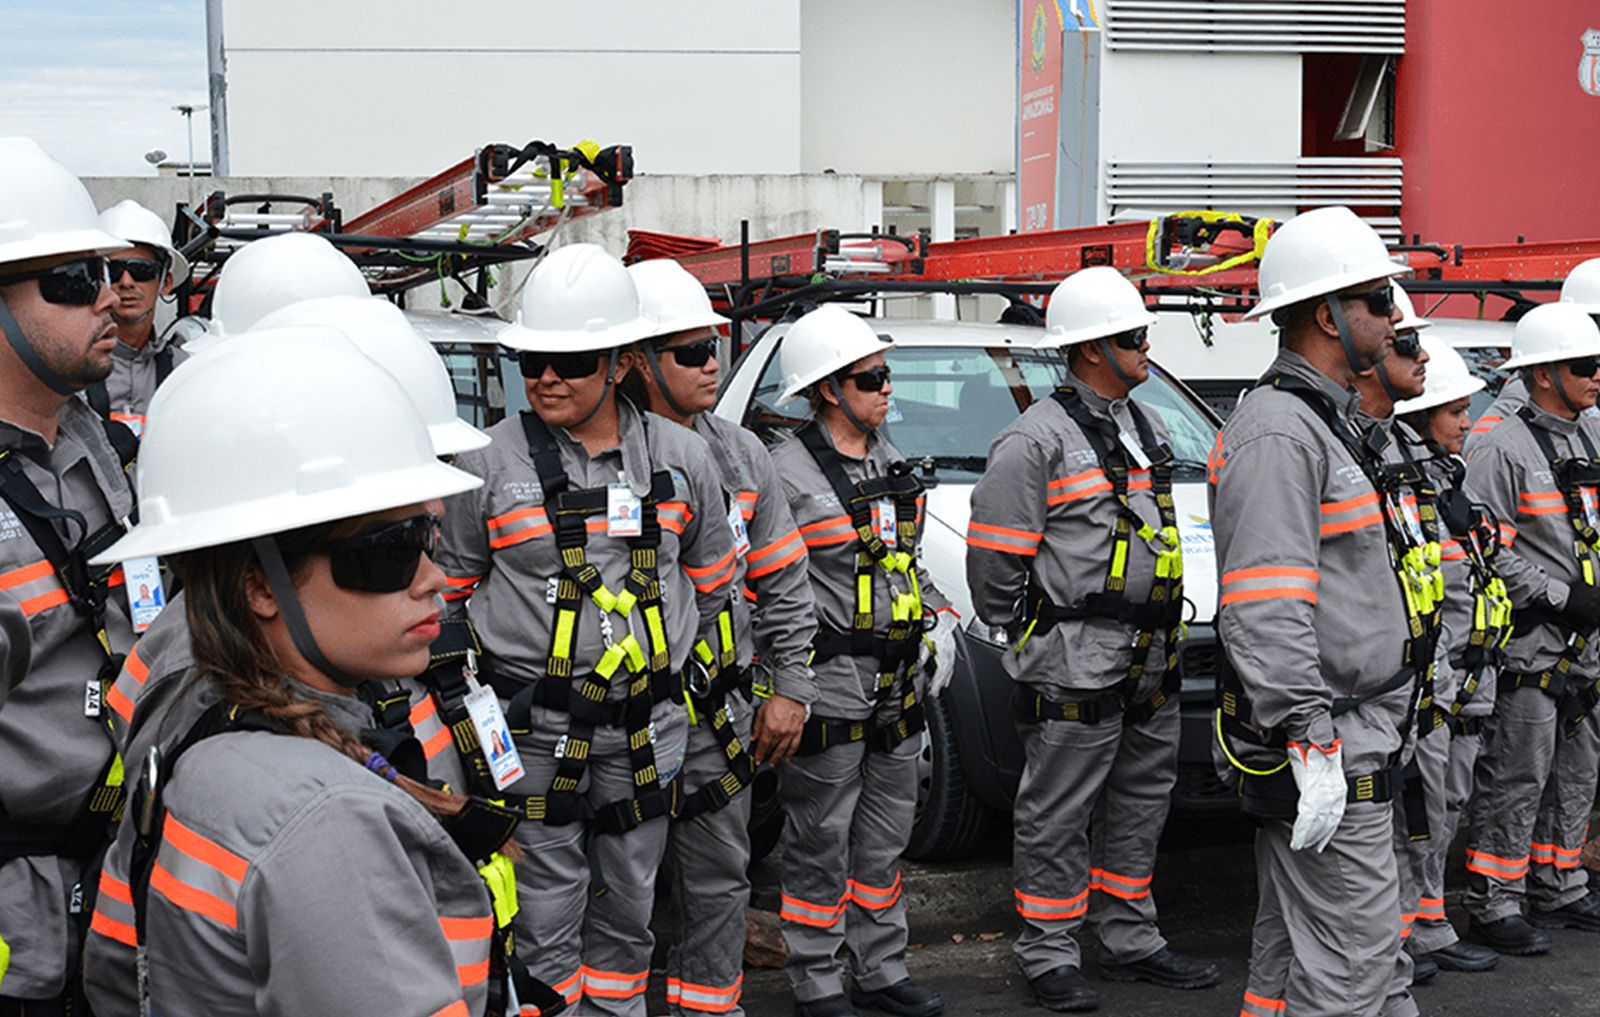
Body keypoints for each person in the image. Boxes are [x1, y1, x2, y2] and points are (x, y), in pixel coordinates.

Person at [81, 324, 516, 1015]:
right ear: (260, 585)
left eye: (430, 535)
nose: (434, 578)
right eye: (394, 549)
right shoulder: (325, 819)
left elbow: (111, 970)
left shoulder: (196, 710)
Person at [435, 244, 736, 1017]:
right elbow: (449, 594)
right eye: (534, 362)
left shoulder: (683, 459)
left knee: (632, 907)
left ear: (621, 361)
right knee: (542, 914)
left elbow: (713, 587)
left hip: (648, 733)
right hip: (531, 736)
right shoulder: (488, 464)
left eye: (570, 362)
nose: (547, 379)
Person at [965, 266, 1217, 1012]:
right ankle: (1049, 952)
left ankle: (1130, 937)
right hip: (1075, 655)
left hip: (1151, 655)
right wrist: (1032, 630)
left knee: (1142, 801)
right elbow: (994, 564)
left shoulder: (1148, 426)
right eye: (1134, 335)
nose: (1147, 345)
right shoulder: (1033, 440)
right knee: (1058, 809)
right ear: (1092, 348)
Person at [1210, 205, 1420, 1017]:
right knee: (1352, 973)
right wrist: (1310, 735)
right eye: (1376, 299)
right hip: (1331, 738)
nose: (1395, 316)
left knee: (1303, 960)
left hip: (1358, 730)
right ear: (1325, 316)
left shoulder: (1323, 424)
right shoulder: (1282, 434)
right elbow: (1264, 606)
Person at [626, 259, 818, 1017]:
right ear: (638, 361)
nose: (714, 365)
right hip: (623, 721)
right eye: (692, 352)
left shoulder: (743, 454)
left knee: (718, 879)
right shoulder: (604, 456)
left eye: (717, 347)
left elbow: (786, 582)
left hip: (720, 715)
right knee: (613, 893)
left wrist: (790, 689)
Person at [767, 304, 955, 1017]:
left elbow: (907, 564)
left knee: (883, 839)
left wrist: (940, 619)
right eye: (870, 378)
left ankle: (879, 968)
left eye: (885, 375)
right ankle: (816, 980)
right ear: (826, 390)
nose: (885, 389)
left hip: (899, 685)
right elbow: (768, 586)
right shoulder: (785, 475)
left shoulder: (890, 460)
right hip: (830, 686)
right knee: (820, 837)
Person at [0, 137, 140, 1014]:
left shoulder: (97, 447)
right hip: (21, 923)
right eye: (71, 280)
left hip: (121, 884)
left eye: (104, 272)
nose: (107, 299)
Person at [1460, 303, 1600, 954]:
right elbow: (1485, 546)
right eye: (1584, 366)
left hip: (1589, 639)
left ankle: (1560, 881)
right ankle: (1495, 900)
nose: (1597, 376)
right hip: (1533, 640)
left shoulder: (1592, 430)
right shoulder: (1498, 442)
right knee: (1518, 771)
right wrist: (1558, 593)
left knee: (1578, 767)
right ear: (1543, 374)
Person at [1392, 332, 1506, 975]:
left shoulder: (1449, 478)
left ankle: (1428, 917)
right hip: (1436, 682)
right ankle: (1415, 927)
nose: (1468, 421)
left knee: (1448, 801)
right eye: (1456, 411)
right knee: (1422, 807)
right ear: (1421, 416)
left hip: (1469, 676)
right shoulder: (1410, 487)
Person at [82, 200, 192, 437]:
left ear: (166, 283)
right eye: (114, 270)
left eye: (141, 270)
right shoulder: (68, 367)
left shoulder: (186, 373)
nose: (127, 282)